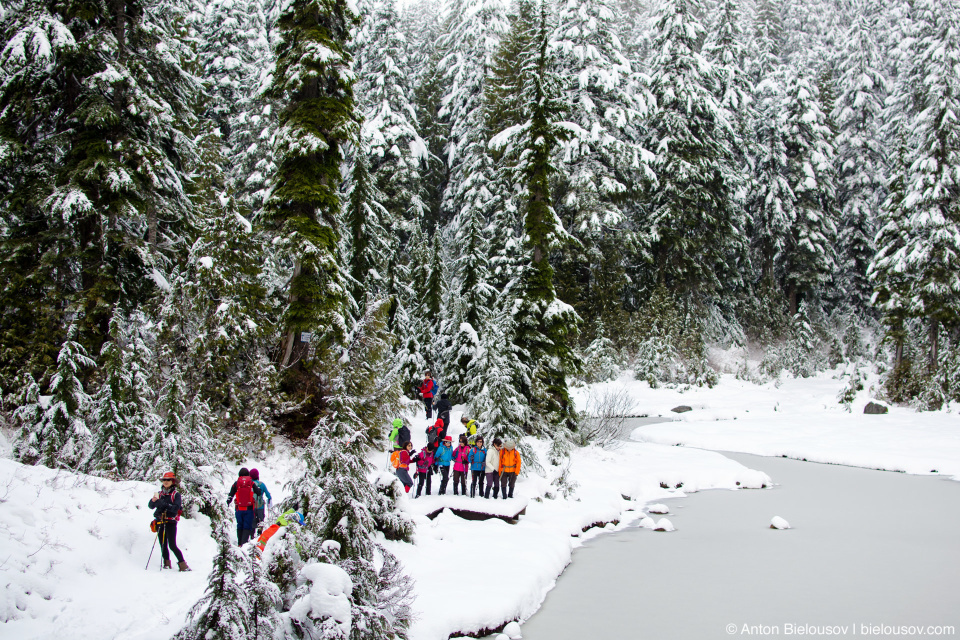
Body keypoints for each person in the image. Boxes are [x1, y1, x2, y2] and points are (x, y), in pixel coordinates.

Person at [149, 471, 190, 571]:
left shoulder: (176, 495)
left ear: (173, 481)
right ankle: (166, 563)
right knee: (163, 544)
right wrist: (153, 501)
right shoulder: (159, 494)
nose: (166, 482)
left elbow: (175, 508)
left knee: (172, 545)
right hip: (160, 521)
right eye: (164, 480)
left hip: (171, 522)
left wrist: (161, 503)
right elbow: (150, 506)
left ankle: (183, 565)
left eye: (168, 480)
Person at [227, 467, 263, 545]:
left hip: (239, 509)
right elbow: (258, 492)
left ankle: (239, 543)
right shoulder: (250, 482)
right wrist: (259, 490)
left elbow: (230, 495)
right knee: (247, 526)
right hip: (249, 509)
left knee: (240, 525)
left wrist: (227, 503)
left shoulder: (236, 483)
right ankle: (244, 544)